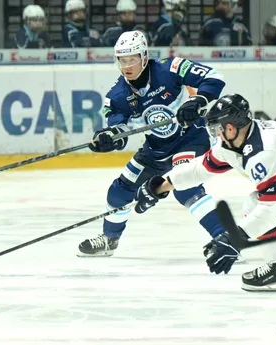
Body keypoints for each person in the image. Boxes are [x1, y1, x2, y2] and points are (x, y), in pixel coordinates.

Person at [77, 30, 227, 257]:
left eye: (132, 59)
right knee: (120, 190)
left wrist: (198, 100)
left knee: (185, 186)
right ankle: (110, 239)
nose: (127, 65)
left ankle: (225, 238)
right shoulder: (116, 96)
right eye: (122, 60)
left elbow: (214, 77)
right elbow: (120, 129)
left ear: (144, 56)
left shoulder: (171, 67)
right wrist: (108, 138)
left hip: (190, 138)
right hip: (156, 149)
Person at [136, 93, 276, 292]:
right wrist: (161, 186)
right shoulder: (235, 141)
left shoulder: (265, 153)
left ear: (229, 127)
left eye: (217, 128)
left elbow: (270, 212)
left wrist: (232, 240)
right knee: (255, 202)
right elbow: (200, 169)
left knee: (257, 205)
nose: (216, 134)